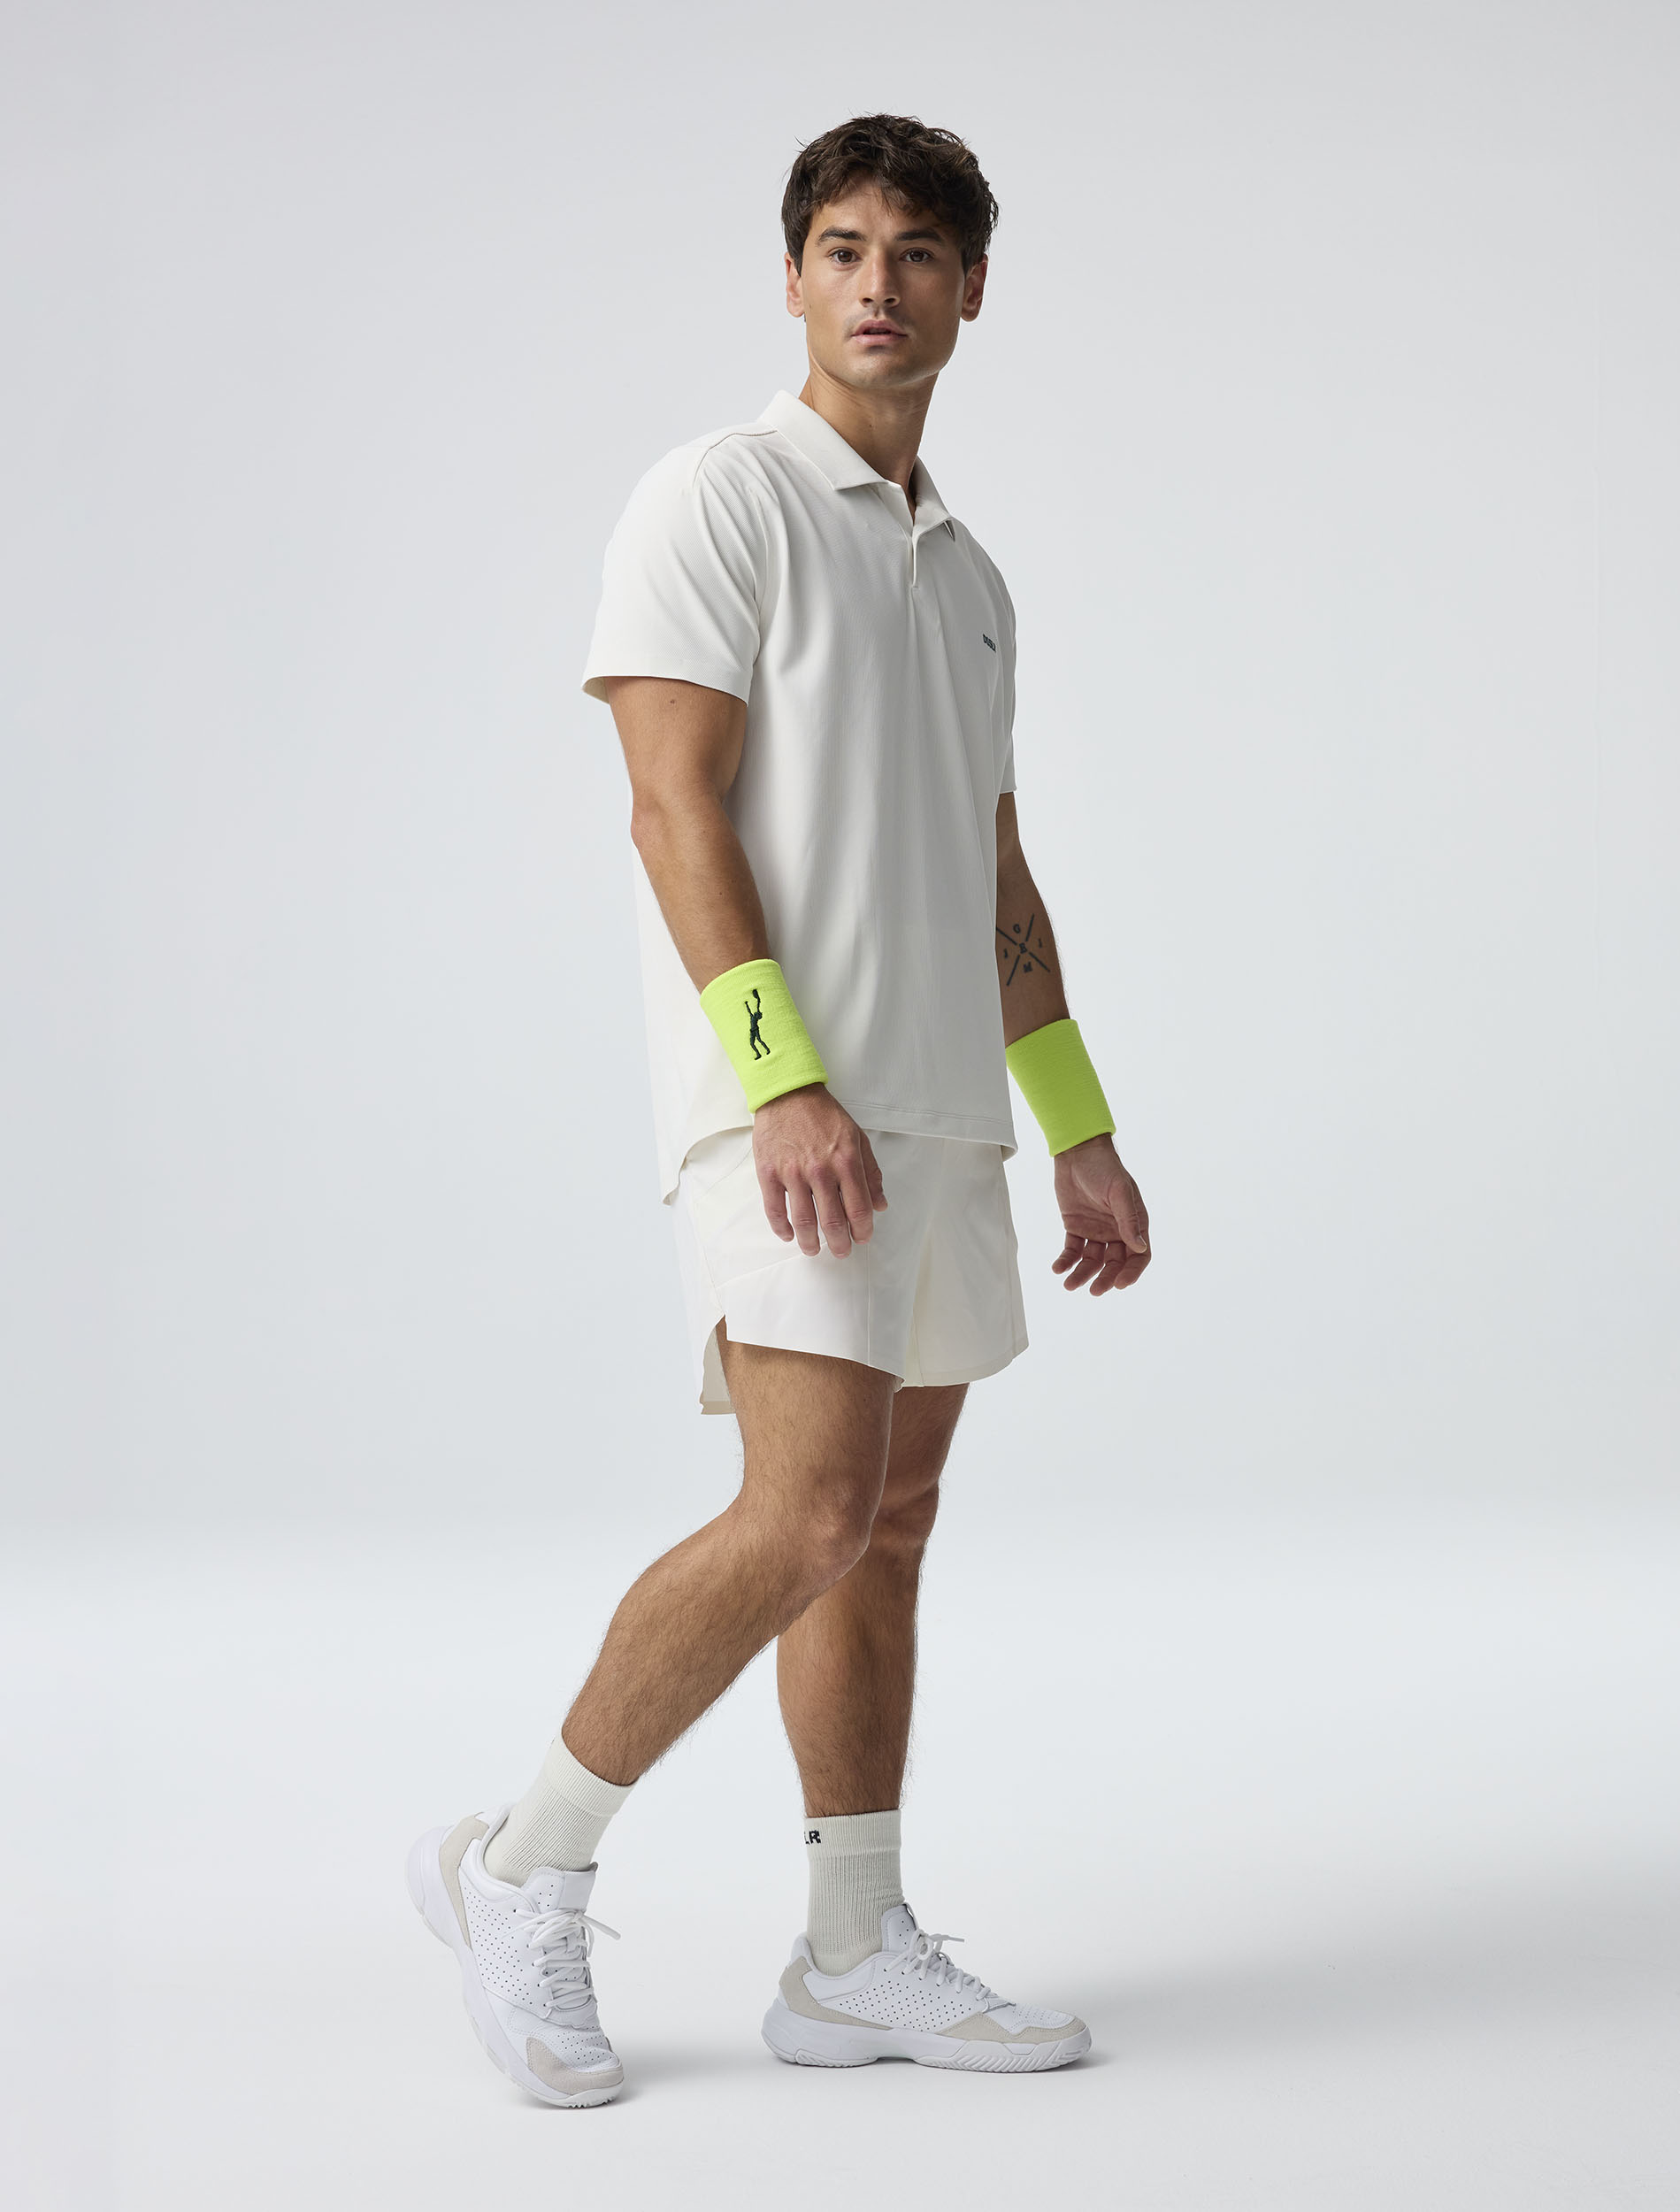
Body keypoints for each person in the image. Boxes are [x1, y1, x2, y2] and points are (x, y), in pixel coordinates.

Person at [407, 113, 1151, 2107]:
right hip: (786, 1107)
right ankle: (520, 1864)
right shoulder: (717, 497)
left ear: (972, 287)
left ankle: (848, 1950)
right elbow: (671, 803)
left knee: (884, 1529)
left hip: (944, 1117)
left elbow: (999, 876)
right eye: (841, 247)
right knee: (803, 1507)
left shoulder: (972, 574)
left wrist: (1075, 1119)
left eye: (917, 252)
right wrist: (783, 1073)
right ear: (795, 277)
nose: (878, 284)